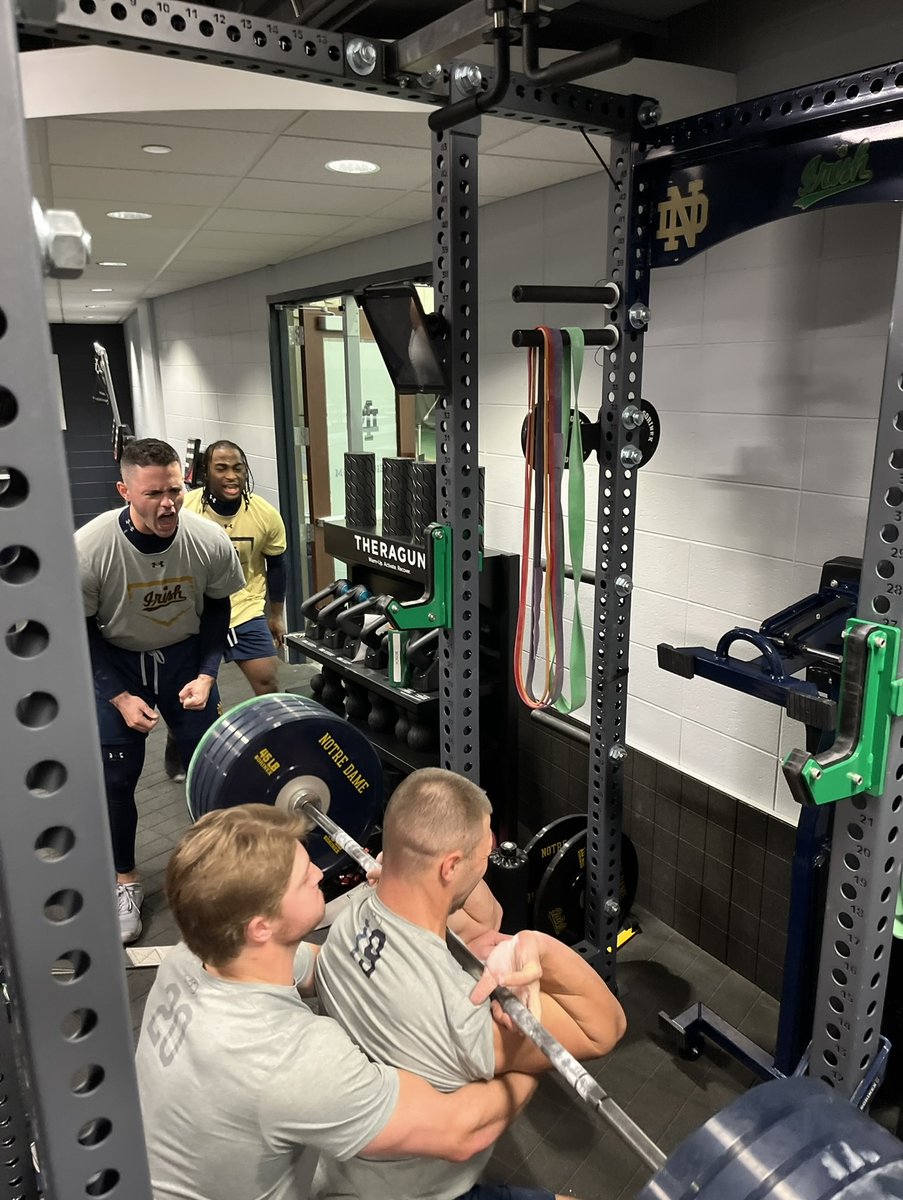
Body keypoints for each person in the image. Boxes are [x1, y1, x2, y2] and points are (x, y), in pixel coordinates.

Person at [136, 804, 539, 1200]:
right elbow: (463, 1133)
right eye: (302, 879)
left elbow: (324, 963)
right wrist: (540, 1053)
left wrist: (393, 907)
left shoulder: (194, 955)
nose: (317, 872)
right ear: (261, 927)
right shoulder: (291, 1058)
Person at [314, 767, 627, 1200]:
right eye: (484, 855)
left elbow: (485, 920)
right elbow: (604, 1029)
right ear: (451, 866)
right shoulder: (464, 1012)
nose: (487, 866)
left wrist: (404, 872)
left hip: (346, 1178)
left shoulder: (348, 923)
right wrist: (537, 945)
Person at [75, 438, 245, 944]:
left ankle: (217, 868)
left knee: (212, 770)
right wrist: (119, 697)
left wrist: (209, 673)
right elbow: (80, 631)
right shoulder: (89, 548)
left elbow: (217, 608)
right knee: (118, 778)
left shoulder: (207, 539)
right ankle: (125, 880)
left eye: (175, 489)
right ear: (125, 490)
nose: (167, 502)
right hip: (118, 663)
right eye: (153, 493)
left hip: (185, 660)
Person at [164, 440, 288, 781]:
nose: (231, 475)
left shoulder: (264, 514)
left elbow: (277, 568)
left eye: (237, 467)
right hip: (196, 615)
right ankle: (178, 743)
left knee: (267, 681)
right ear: (207, 472)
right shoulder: (185, 509)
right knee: (194, 697)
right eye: (222, 468)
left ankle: (278, 748)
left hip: (245, 608)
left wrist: (275, 615)